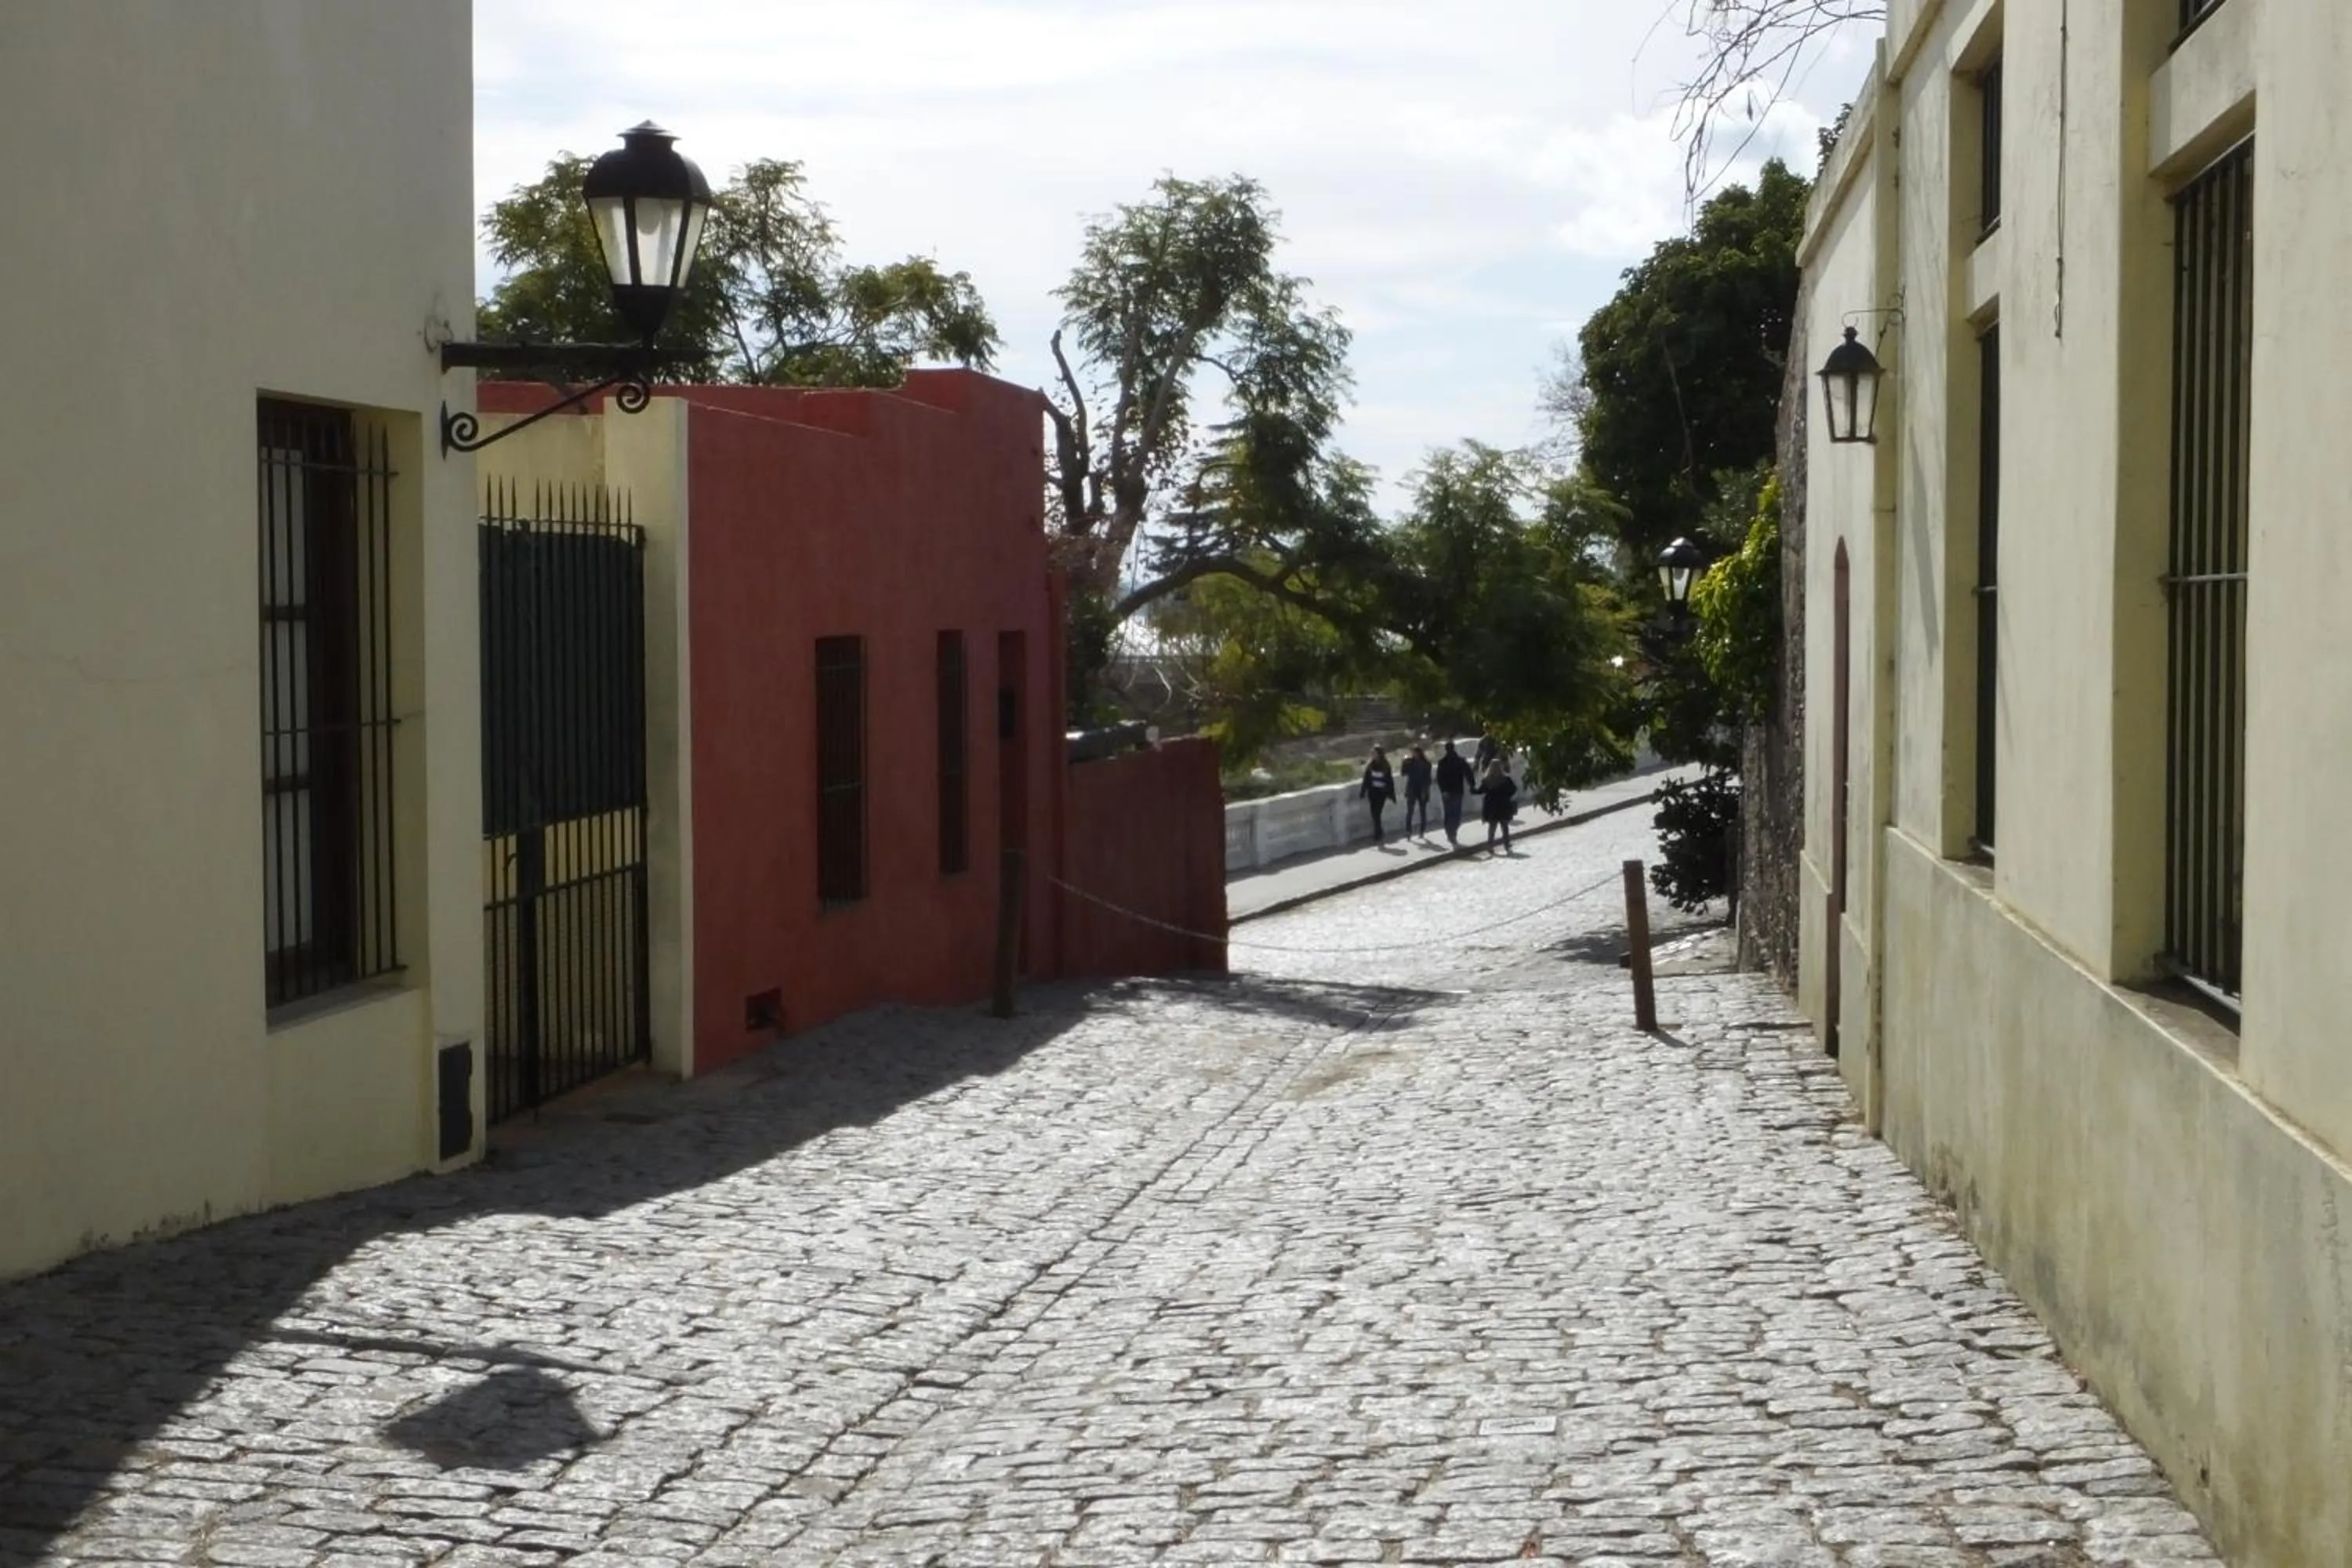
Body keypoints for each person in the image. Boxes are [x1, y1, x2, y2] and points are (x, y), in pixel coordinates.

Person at [1434, 740, 1474, 848]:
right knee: (1456, 814)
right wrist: (1472, 785)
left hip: (1447, 792)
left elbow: (1439, 778)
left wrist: (1443, 791)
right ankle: (1453, 832)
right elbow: (1469, 774)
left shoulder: (1442, 762)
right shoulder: (1460, 761)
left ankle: (1449, 832)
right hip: (1457, 791)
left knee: (1448, 814)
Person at [1479, 756, 1518, 855]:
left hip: (1491, 806)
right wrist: (1506, 796)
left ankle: (1490, 845)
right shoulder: (1506, 779)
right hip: (1503, 805)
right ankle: (1507, 845)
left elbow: (1481, 791)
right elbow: (1514, 789)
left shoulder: (1486, 780)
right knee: (1504, 827)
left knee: (1492, 827)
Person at [1360, 745, 1396, 845]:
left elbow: (1389, 781)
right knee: (1374, 813)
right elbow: (1366, 779)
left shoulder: (1385, 765)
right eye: (1371, 753)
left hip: (1382, 793)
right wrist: (1363, 791)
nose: (1372, 755)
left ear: (1379, 754)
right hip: (1373, 792)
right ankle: (1379, 832)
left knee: (1377, 813)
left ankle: (1378, 833)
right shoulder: (1371, 765)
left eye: (1374, 753)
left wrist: (1391, 795)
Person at [1399, 744, 1434, 839]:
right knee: (1410, 811)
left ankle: (1422, 831)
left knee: (1422, 811)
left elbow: (1428, 779)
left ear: (1419, 753)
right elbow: (1403, 773)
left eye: (1415, 753)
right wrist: (1404, 763)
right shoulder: (1410, 763)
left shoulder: (1426, 764)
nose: (1413, 754)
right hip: (1412, 789)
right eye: (1413, 753)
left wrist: (1425, 790)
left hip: (1422, 789)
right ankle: (1408, 831)